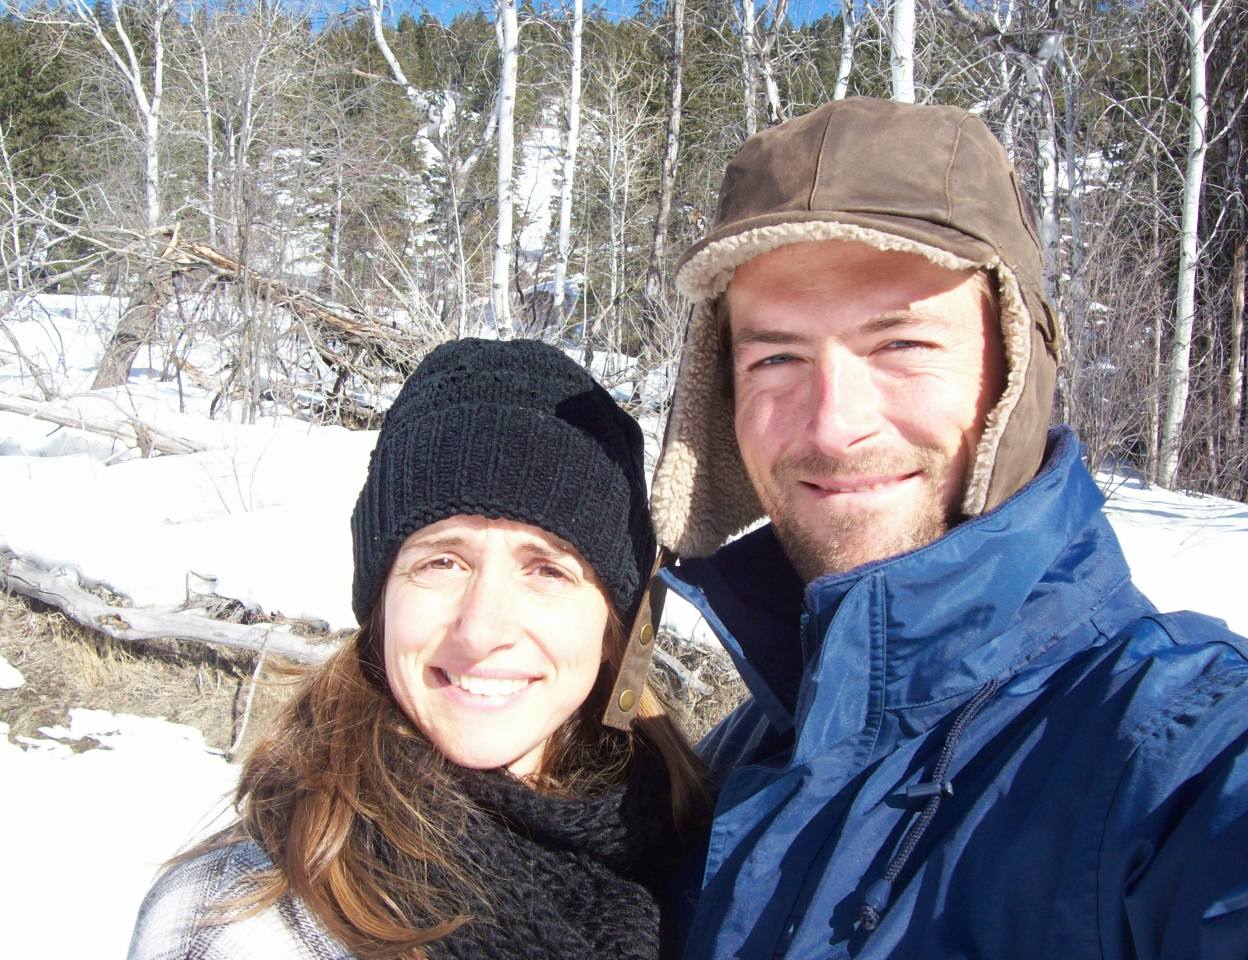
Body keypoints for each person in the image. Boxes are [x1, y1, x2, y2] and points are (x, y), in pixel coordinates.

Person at [649, 97, 1248, 959]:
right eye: (777, 356)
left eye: (902, 345)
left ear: (1015, 371)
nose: (833, 426)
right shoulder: (747, 751)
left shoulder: (1172, 746)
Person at [128, 338, 708, 960]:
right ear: (381, 602)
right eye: (442, 562)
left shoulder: (700, 851)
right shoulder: (242, 921)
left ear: (614, 628)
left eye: (547, 570)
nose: (481, 629)